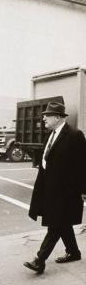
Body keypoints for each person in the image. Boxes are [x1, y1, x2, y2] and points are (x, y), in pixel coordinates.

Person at [24, 102, 86, 274]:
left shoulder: (74, 135)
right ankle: (74, 252)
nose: (43, 118)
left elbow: (83, 165)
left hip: (67, 192)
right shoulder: (51, 135)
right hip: (51, 190)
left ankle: (39, 260)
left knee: (55, 225)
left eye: (47, 115)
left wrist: (84, 190)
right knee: (63, 223)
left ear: (58, 117)